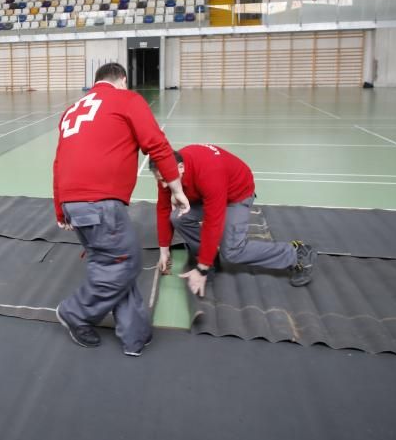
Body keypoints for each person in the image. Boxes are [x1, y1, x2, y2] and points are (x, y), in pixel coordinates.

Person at [52, 62, 189, 357]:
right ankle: (74, 313)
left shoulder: (71, 111)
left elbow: (59, 161)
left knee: (112, 262)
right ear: (123, 80)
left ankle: (135, 334)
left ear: (96, 81)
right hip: (100, 203)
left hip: (74, 201)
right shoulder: (126, 99)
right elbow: (157, 144)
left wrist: (60, 209)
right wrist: (176, 189)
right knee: (124, 263)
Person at [151, 144, 316, 298]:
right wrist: (164, 251)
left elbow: (212, 221)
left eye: (165, 180)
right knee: (177, 217)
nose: (164, 186)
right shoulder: (166, 171)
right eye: (160, 180)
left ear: (180, 168)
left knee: (232, 252)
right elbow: (164, 209)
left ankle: (295, 253)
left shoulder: (208, 172)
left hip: (237, 194)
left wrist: (202, 269)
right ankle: (209, 255)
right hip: (207, 193)